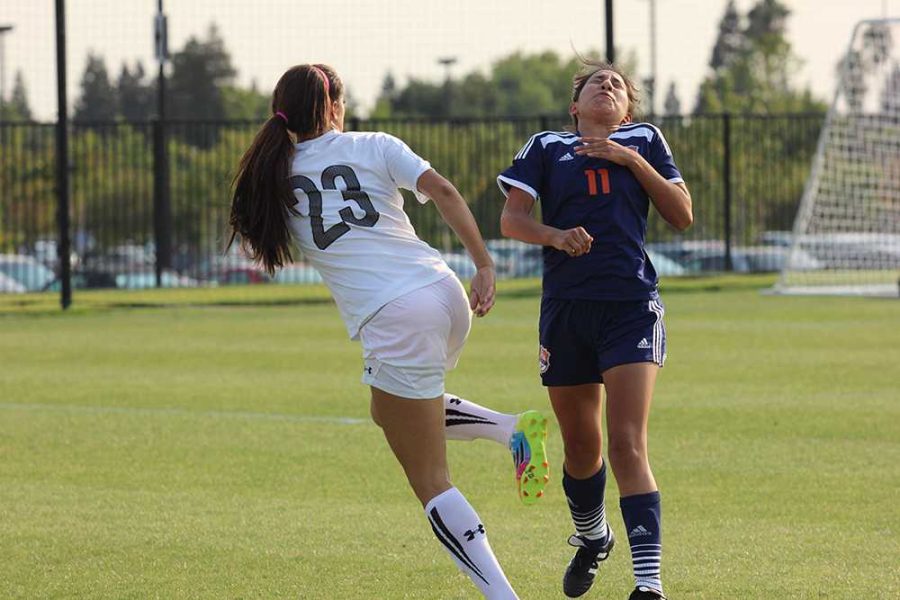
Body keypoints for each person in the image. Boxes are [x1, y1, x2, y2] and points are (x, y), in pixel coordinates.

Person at [227, 64, 549, 599]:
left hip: (397, 317)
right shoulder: (373, 143)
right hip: (443, 294)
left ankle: (503, 595)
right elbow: (443, 191)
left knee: (431, 481)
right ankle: (510, 429)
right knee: (389, 411)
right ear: (334, 105)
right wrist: (484, 264)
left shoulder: (274, 176)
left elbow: (263, 241)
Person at [497, 59, 693, 600]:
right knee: (582, 447)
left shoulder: (645, 140)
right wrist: (556, 236)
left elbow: (682, 214)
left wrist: (631, 159)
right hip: (565, 310)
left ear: (628, 108)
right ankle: (593, 536)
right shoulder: (545, 147)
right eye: (594, 83)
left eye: (618, 85)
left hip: (630, 305)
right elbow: (511, 222)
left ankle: (648, 585)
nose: (607, 86)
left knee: (628, 443)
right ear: (575, 106)